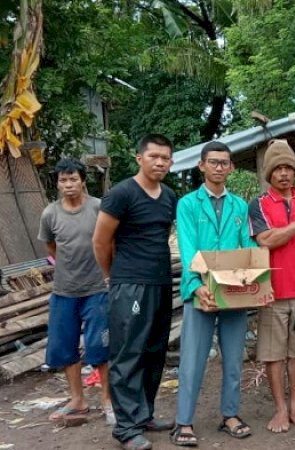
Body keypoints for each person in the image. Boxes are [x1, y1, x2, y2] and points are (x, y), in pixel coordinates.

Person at [171, 141, 261, 446]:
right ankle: (184, 421)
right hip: (200, 292)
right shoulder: (187, 204)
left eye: (224, 162)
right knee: (193, 359)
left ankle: (230, 415)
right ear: (202, 166)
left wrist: (257, 285)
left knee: (234, 358)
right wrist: (197, 287)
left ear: (231, 167)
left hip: (234, 292)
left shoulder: (239, 205)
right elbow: (188, 249)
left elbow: (247, 248)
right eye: (213, 162)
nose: (219, 167)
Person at [93, 134, 178, 450]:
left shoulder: (169, 196)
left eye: (165, 158)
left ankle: (144, 415)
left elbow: (162, 235)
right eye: (154, 156)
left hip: (160, 283)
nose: (160, 162)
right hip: (129, 284)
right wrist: (112, 276)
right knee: (128, 354)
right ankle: (126, 429)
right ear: (139, 157)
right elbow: (101, 242)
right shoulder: (121, 194)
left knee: (154, 352)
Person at [247, 139, 295, 433]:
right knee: (273, 354)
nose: (284, 173)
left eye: (289, 167)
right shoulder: (259, 204)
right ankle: (279, 408)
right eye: (278, 168)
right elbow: (266, 239)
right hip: (271, 292)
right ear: (269, 173)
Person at [39, 158, 114, 426]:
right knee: (65, 345)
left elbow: (109, 241)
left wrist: (107, 273)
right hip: (64, 291)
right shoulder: (50, 213)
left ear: (83, 180)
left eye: (73, 179)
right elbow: (51, 247)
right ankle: (77, 398)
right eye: (63, 180)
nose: (68, 185)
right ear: (57, 184)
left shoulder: (98, 207)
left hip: (96, 289)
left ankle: (107, 399)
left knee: (100, 346)